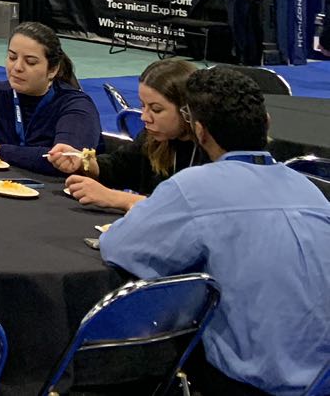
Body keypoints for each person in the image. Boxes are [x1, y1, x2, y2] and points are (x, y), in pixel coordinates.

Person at [100, 66, 330, 396]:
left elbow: (118, 247)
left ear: (200, 131)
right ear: (267, 123)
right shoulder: (309, 189)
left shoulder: (193, 187)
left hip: (250, 381)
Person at [0, 21, 100, 173]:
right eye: (12, 57)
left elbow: (67, 160)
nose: (17, 67)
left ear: (52, 70)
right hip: (3, 186)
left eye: (31, 62)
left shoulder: (76, 106)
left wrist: (0, 151)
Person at [45, 58, 199, 211]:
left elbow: (191, 208)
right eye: (143, 105)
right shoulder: (154, 138)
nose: (144, 117)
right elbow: (121, 168)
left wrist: (116, 198)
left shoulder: (208, 151)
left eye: (156, 109)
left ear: (187, 110)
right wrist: (84, 162)